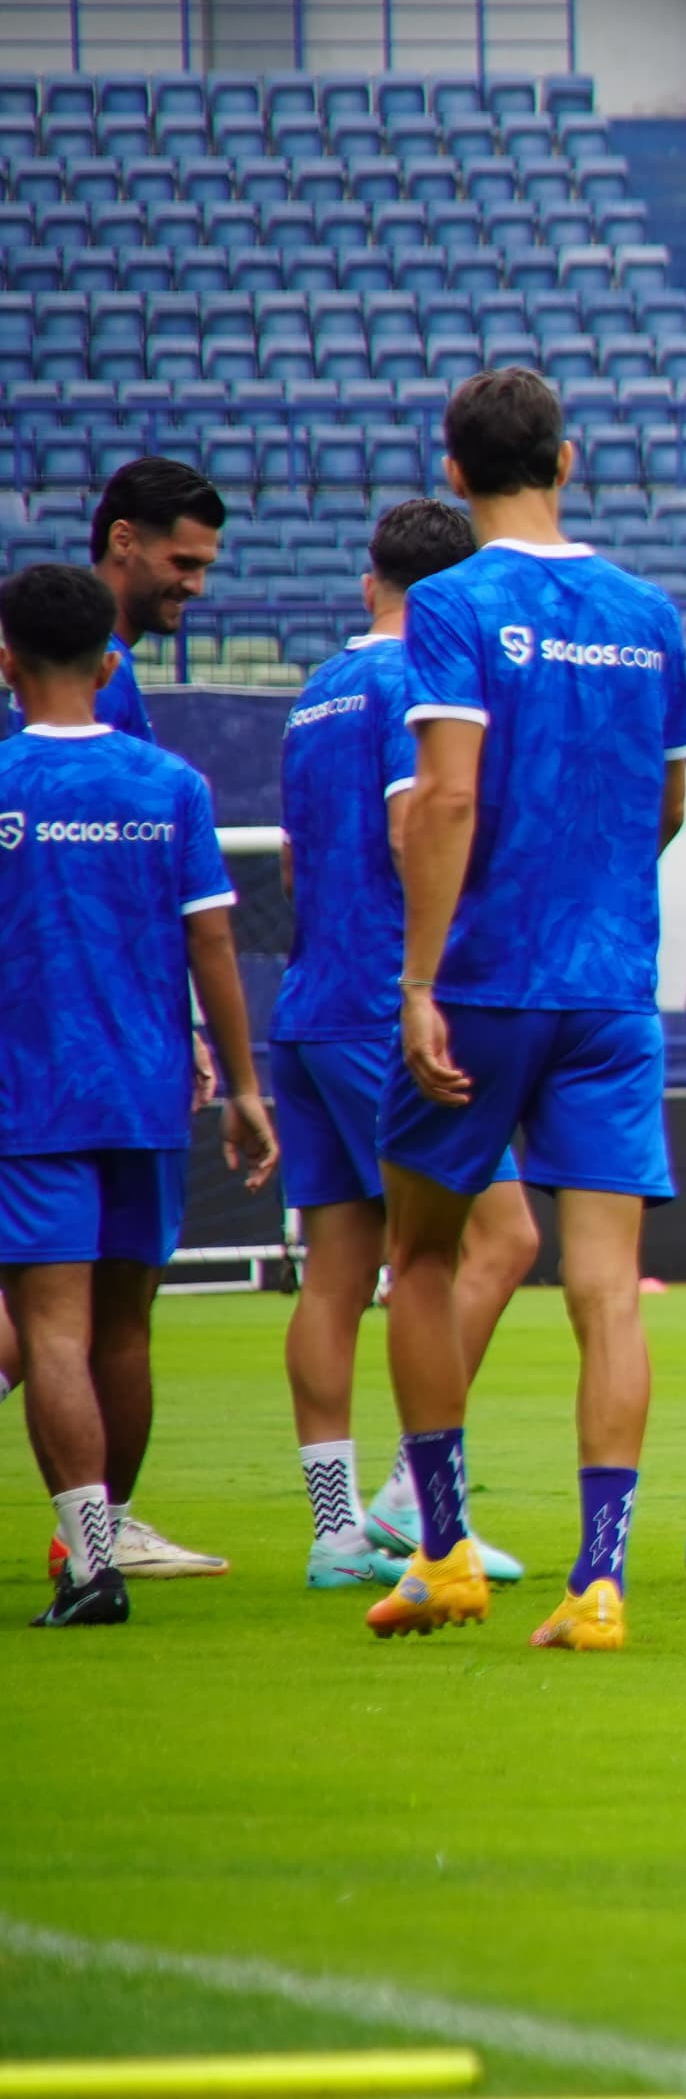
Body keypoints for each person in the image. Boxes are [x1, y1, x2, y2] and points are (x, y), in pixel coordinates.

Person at [366, 366, 686, 1650]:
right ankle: (598, 1582)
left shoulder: (448, 603)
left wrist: (419, 981)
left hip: (488, 978)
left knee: (424, 1257)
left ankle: (442, 1552)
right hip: (611, 986)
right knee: (607, 1286)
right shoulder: (650, 610)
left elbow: (445, 798)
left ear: (452, 472)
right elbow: (667, 806)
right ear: (569, 459)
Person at [271, 499, 544, 1591]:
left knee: (336, 1270)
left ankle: (335, 1532)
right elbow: (414, 822)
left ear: (368, 576)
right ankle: (408, 1497)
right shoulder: (408, 682)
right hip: (391, 1006)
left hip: (310, 1000)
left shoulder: (315, 692)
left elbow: (297, 860)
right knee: (503, 1238)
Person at [2, 562, 273, 1625]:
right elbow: (214, 943)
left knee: (53, 1332)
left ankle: (92, 1563)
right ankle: (107, 1537)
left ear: (7, 661)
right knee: (125, 1332)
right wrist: (243, 1086)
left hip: (31, 1096)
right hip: (148, 1090)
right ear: (110, 661)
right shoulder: (172, 785)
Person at [3, 459, 216, 742]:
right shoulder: (88, 673)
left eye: (204, 567)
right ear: (122, 540)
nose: (196, 586)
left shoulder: (70, 656)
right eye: (182, 563)